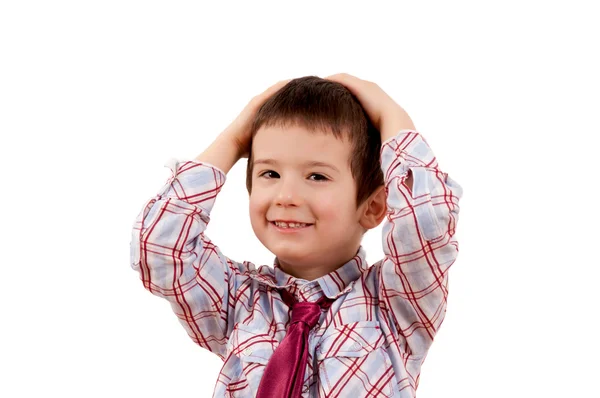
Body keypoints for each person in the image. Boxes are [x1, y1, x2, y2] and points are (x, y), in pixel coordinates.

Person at [130, 73, 463, 397]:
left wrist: (392, 115)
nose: (285, 195)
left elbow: (424, 224)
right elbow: (159, 247)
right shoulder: (238, 302)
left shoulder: (396, 303)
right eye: (270, 173)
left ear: (374, 207)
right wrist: (231, 140)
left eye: (317, 176)